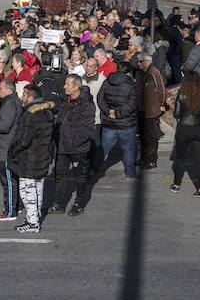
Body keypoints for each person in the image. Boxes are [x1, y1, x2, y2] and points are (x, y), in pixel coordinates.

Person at [8, 85, 56, 233]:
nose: (22, 97)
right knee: (38, 189)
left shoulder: (30, 114)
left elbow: (23, 140)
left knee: (27, 191)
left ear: (30, 96)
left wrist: (12, 150)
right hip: (42, 156)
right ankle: (35, 216)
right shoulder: (47, 112)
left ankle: (33, 222)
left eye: (24, 94)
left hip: (29, 159)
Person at [49, 74, 96, 216]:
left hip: (77, 148)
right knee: (59, 174)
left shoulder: (86, 104)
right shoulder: (65, 100)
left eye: (67, 84)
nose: (64, 87)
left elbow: (87, 128)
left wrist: (73, 141)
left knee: (80, 177)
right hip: (62, 146)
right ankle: (59, 203)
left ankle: (79, 203)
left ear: (76, 87)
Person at [170, 72, 200, 198]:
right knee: (199, 161)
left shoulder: (182, 94)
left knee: (180, 158)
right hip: (198, 129)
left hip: (184, 128)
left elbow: (176, 114)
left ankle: (176, 184)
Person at [97, 62, 139, 179]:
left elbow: (100, 98)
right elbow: (132, 104)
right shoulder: (131, 84)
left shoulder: (107, 81)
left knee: (103, 149)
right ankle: (129, 173)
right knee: (129, 150)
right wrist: (118, 113)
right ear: (129, 72)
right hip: (126, 123)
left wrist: (108, 111)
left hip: (109, 122)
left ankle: (94, 170)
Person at [0, 79, 23, 221]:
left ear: (9, 90)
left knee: (8, 180)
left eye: (1, 88)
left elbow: (3, 126)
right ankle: (18, 205)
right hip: (8, 146)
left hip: (6, 148)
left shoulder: (10, 103)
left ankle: (10, 211)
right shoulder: (11, 101)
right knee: (12, 179)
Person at [138, 52, 166, 169]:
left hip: (151, 111)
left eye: (140, 62)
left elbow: (161, 91)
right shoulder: (142, 74)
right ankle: (144, 158)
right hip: (142, 109)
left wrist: (159, 104)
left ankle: (151, 160)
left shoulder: (154, 72)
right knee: (143, 137)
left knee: (151, 138)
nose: (138, 64)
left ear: (147, 62)